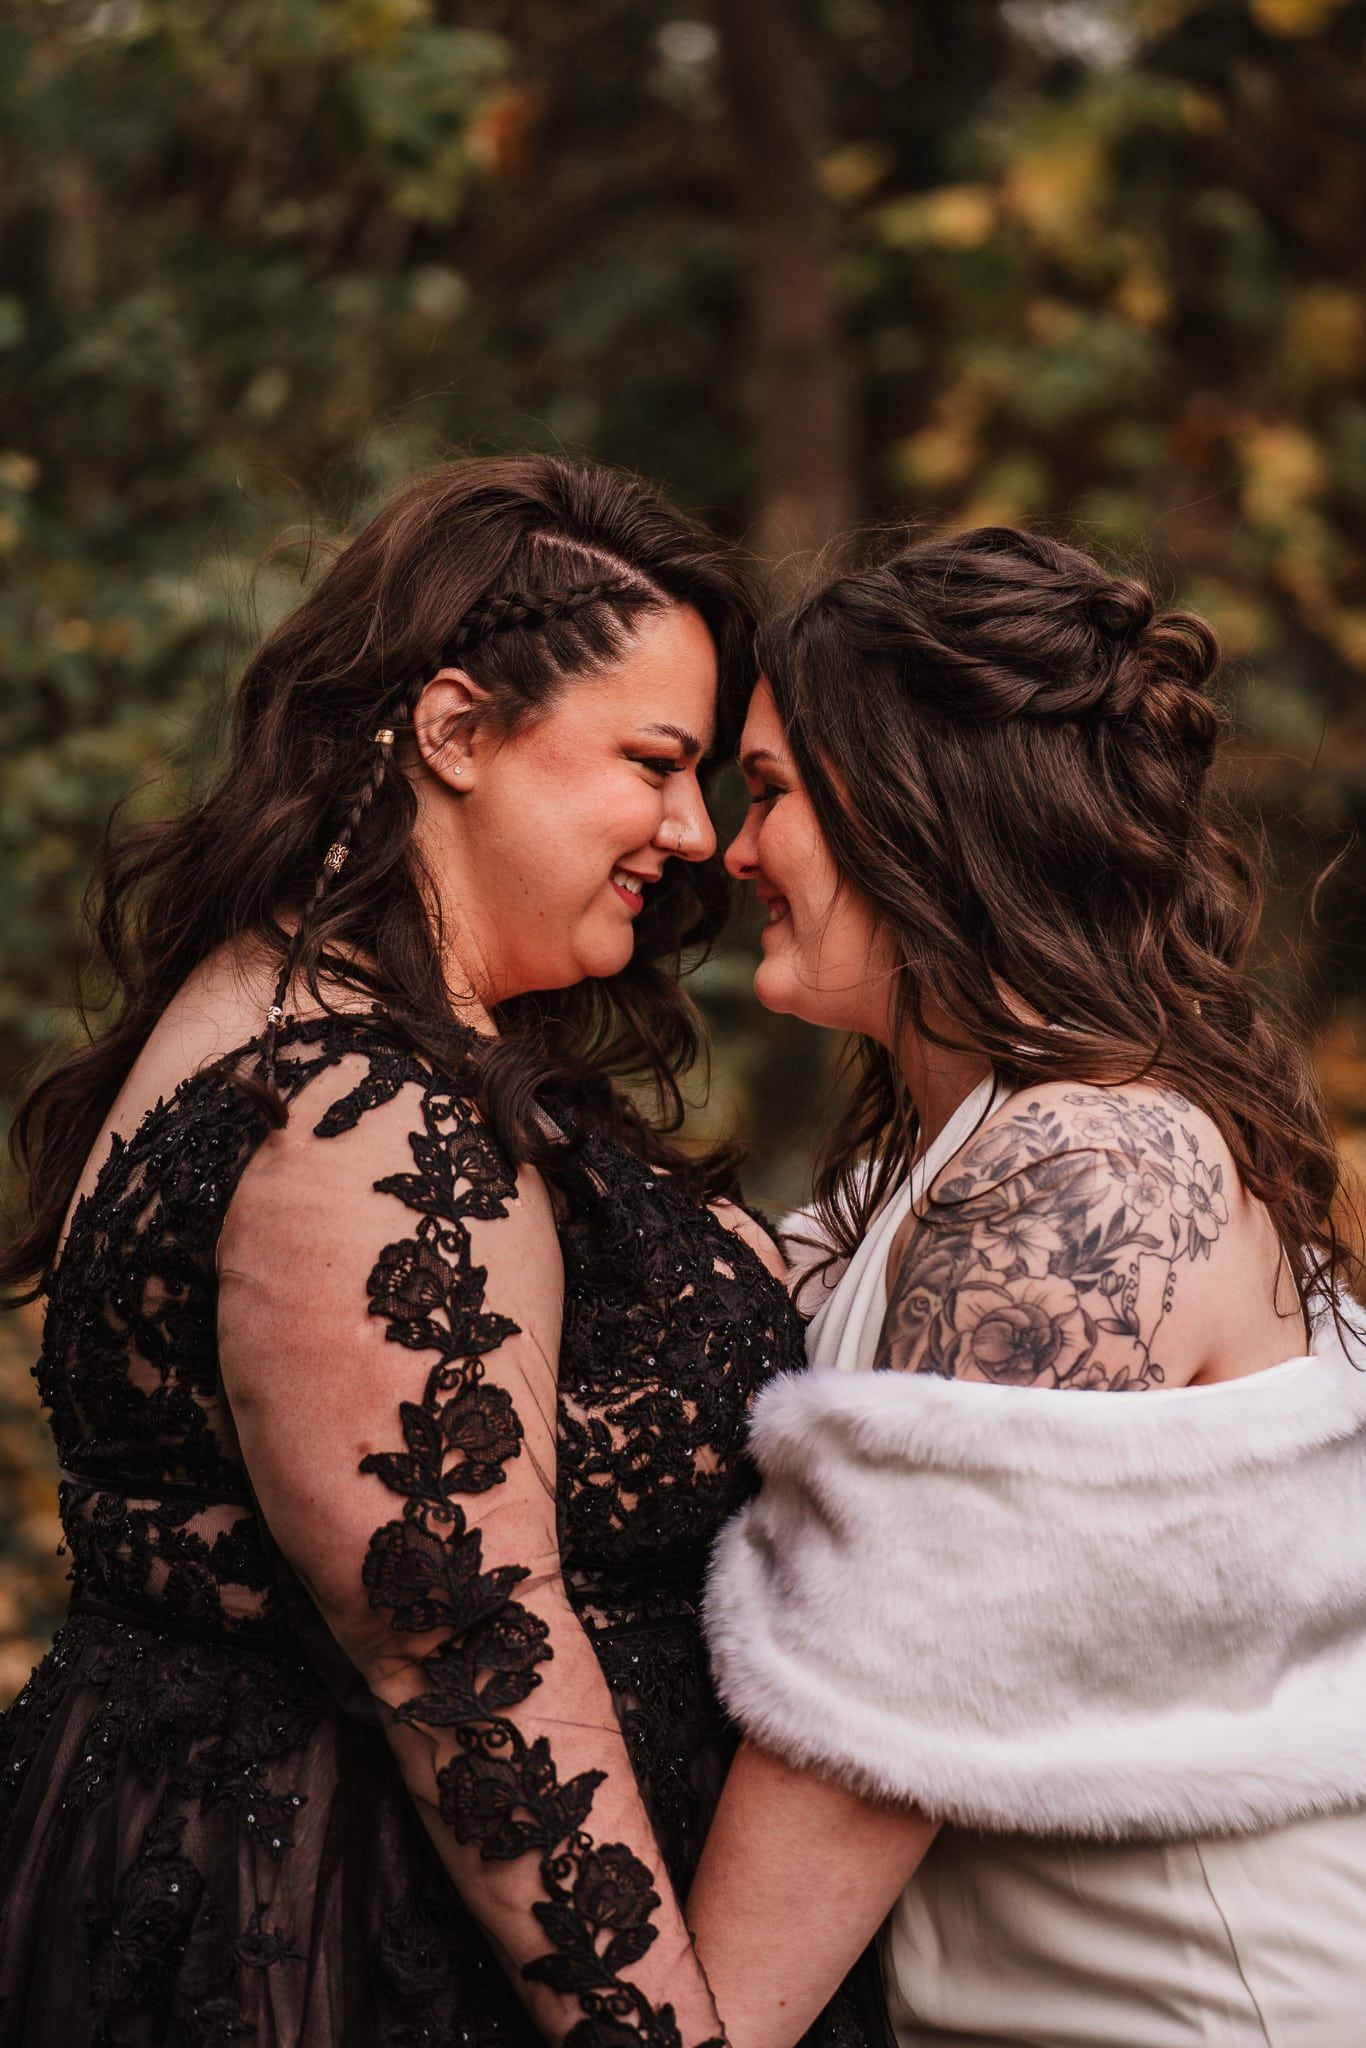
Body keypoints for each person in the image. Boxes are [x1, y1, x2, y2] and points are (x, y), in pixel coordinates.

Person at [0, 455, 866, 2048]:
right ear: (457, 731)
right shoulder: (365, 1109)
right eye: (655, 761)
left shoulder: (312, 1021)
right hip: (357, 1945)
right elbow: (461, 1641)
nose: (691, 832)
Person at [691, 526, 1366, 2048]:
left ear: (911, 805)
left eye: (770, 793)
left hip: (1193, 2009)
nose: (730, 853)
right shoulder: (961, 1158)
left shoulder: (1092, 1163)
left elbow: (873, 1712)